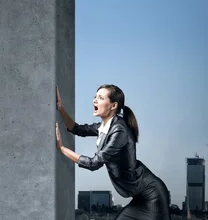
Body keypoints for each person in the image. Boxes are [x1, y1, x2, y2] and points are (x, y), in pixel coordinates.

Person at [55, 84, 171, 220]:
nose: (94, 100)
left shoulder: (119, 130)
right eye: (95, 97)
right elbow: (78, 129)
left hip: (153, 196)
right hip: (139, 196)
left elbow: (94, 163)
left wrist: (62, 149)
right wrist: (61, 109)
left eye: (100, 97)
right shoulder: (105, 126)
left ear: (113, 105)